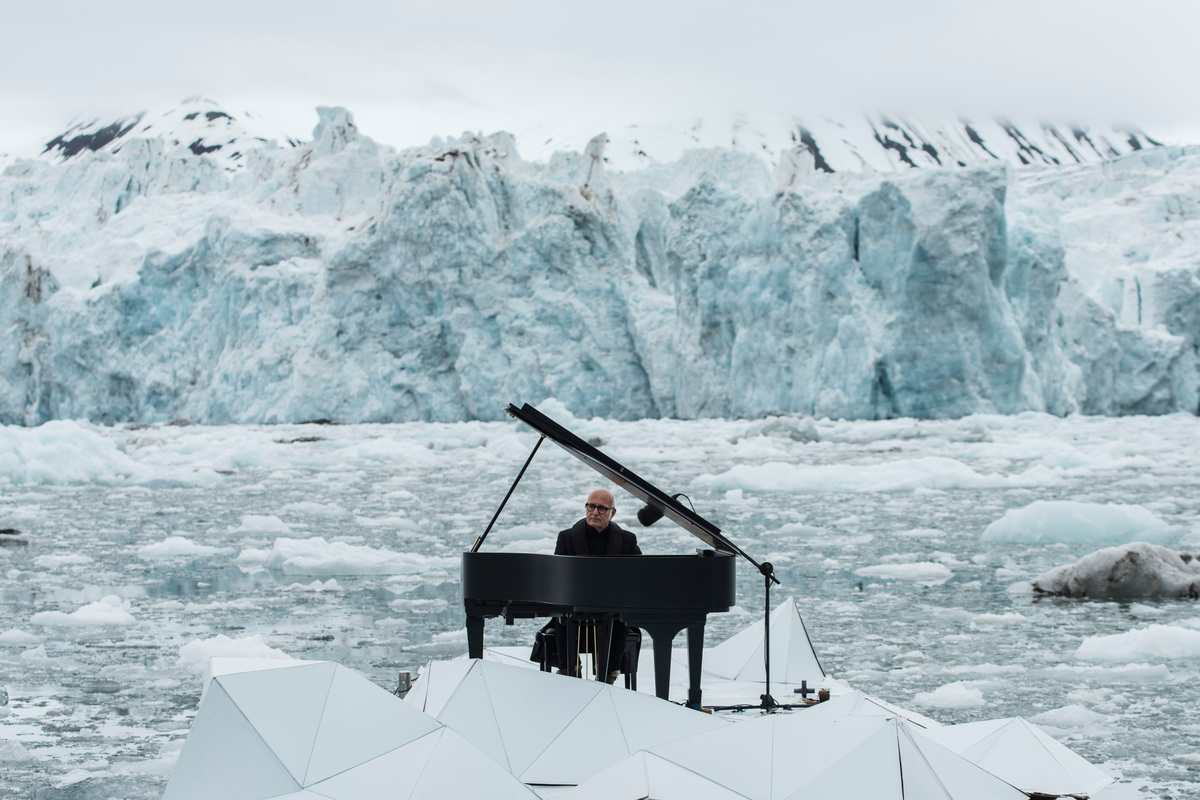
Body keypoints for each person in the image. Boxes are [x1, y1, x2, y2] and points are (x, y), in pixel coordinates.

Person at [550, 489, 640, 683]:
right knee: (561, 620)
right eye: (591, 506)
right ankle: (570, 673)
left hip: (611, 610)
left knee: (620, 621)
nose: (595, 512)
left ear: (612, 512)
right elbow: (557, 577)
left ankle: (608, 676)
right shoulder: (566, 538)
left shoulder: (627, 540)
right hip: (574, 611)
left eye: (601, 508)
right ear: (586, 508)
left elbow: (638, 577)